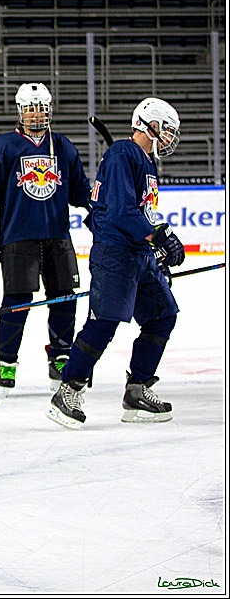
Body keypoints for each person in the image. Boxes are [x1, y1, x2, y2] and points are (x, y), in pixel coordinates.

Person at [49, 98, 184, 430]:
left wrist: (156, 247)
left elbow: (139, 211)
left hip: (139, 256)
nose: (169, 137)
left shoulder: (143, 161)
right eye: (166, 130)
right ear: (149, 124)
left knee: (163, 315)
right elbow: (122, 212)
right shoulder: (124, 153)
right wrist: (158, 235)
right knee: (105, 322)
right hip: (116, 255)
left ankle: (137, 389)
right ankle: (68, 390)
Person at [0, 83, 91, 395]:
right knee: (16, 302)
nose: (35, 113)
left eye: (40, 107)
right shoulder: (3, 147)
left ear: (49, 109)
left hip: (57, 236)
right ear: (20, 110)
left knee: (64, 299)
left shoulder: (64, 147)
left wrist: (98, 206)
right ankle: (7, 363)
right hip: (18, 238)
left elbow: (80, 190)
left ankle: (61, 358)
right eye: (29, 108)